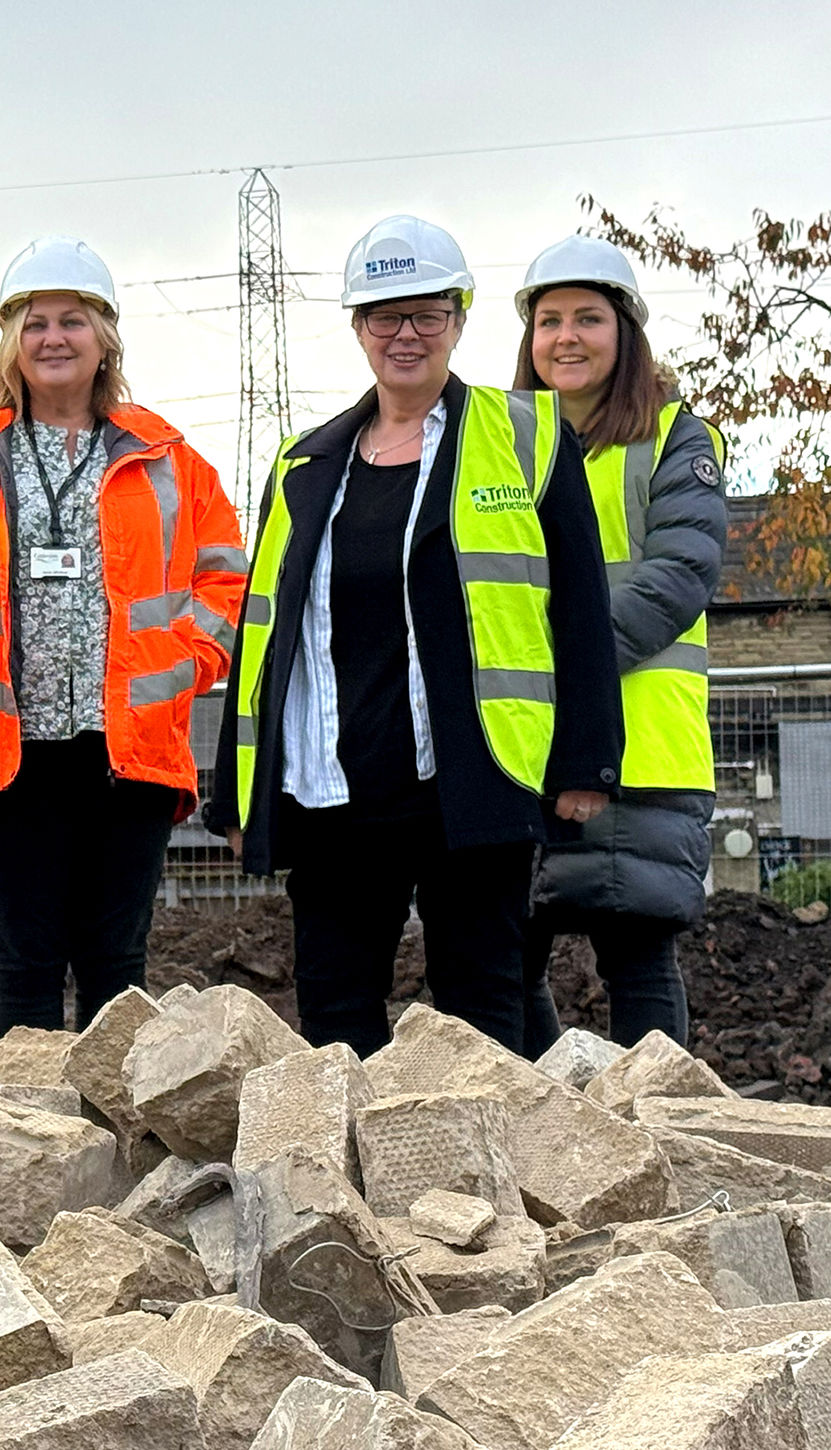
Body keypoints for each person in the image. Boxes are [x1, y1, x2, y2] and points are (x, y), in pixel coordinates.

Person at [208, 215, 623, 1055]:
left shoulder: (529, 437)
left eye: (426, 313)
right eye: (384, 316)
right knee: (333, 1013)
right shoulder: (305, 463)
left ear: (459, 318)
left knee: (481, 1003)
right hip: (334, 789)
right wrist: (238, 792)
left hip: (469, 776)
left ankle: (476, 1186)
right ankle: (347, 1180)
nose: (405, 334)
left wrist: (585, 761)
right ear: (358, 328)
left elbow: (579, 608)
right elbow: (266, 638)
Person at [0, 237, 245, 1043]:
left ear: (105, 340)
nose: (54, 338)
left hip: (127, 750)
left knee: (116, 960)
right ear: (11, 342)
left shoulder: (169, 459)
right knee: (20, 957)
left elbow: (227, 577)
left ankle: (119, 1142)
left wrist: (183, 663)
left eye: (73, 322)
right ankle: (30, 1143)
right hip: (2, 752)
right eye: (36, 323)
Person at [512, 237, 727, 1052]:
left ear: (626, 331)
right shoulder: (498, 445)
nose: (566, 337)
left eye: (588, 319)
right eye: (550, 320)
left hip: (642, 752)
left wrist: (561, 669)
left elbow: (679, 574)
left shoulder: (674, 437)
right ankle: (545, 1139)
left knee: (636, 961)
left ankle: (653, 1143)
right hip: (523, 746)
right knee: (505, 960)